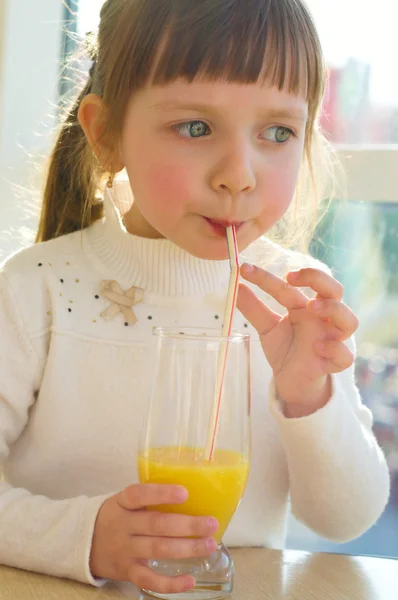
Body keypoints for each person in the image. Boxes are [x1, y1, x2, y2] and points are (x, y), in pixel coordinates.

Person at [0, 0, 390, 595]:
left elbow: (346, 518)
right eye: (195, 127)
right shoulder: (35, 293)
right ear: (106, 136)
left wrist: (310, 395)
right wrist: (81, 537)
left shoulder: (297, 305)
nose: (239, 173)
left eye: (278, 132)